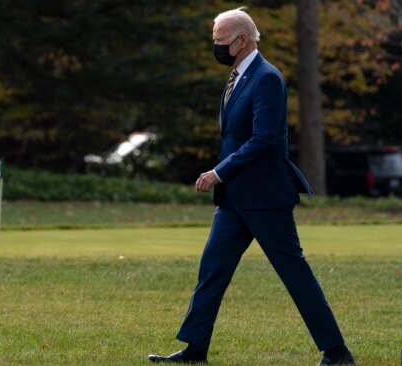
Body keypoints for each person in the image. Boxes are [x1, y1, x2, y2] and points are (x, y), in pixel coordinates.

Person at [148, 7, 355, 366]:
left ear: (242, 40)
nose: (216, 46)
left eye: (220, 40)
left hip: (265, 197)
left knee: (295, 274)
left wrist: (218, 172)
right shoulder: (237, 77)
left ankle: (337, 353)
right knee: (212, 270)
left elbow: (262, 140)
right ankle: (195, 350)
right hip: (234, 201)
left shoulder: (266, 78)